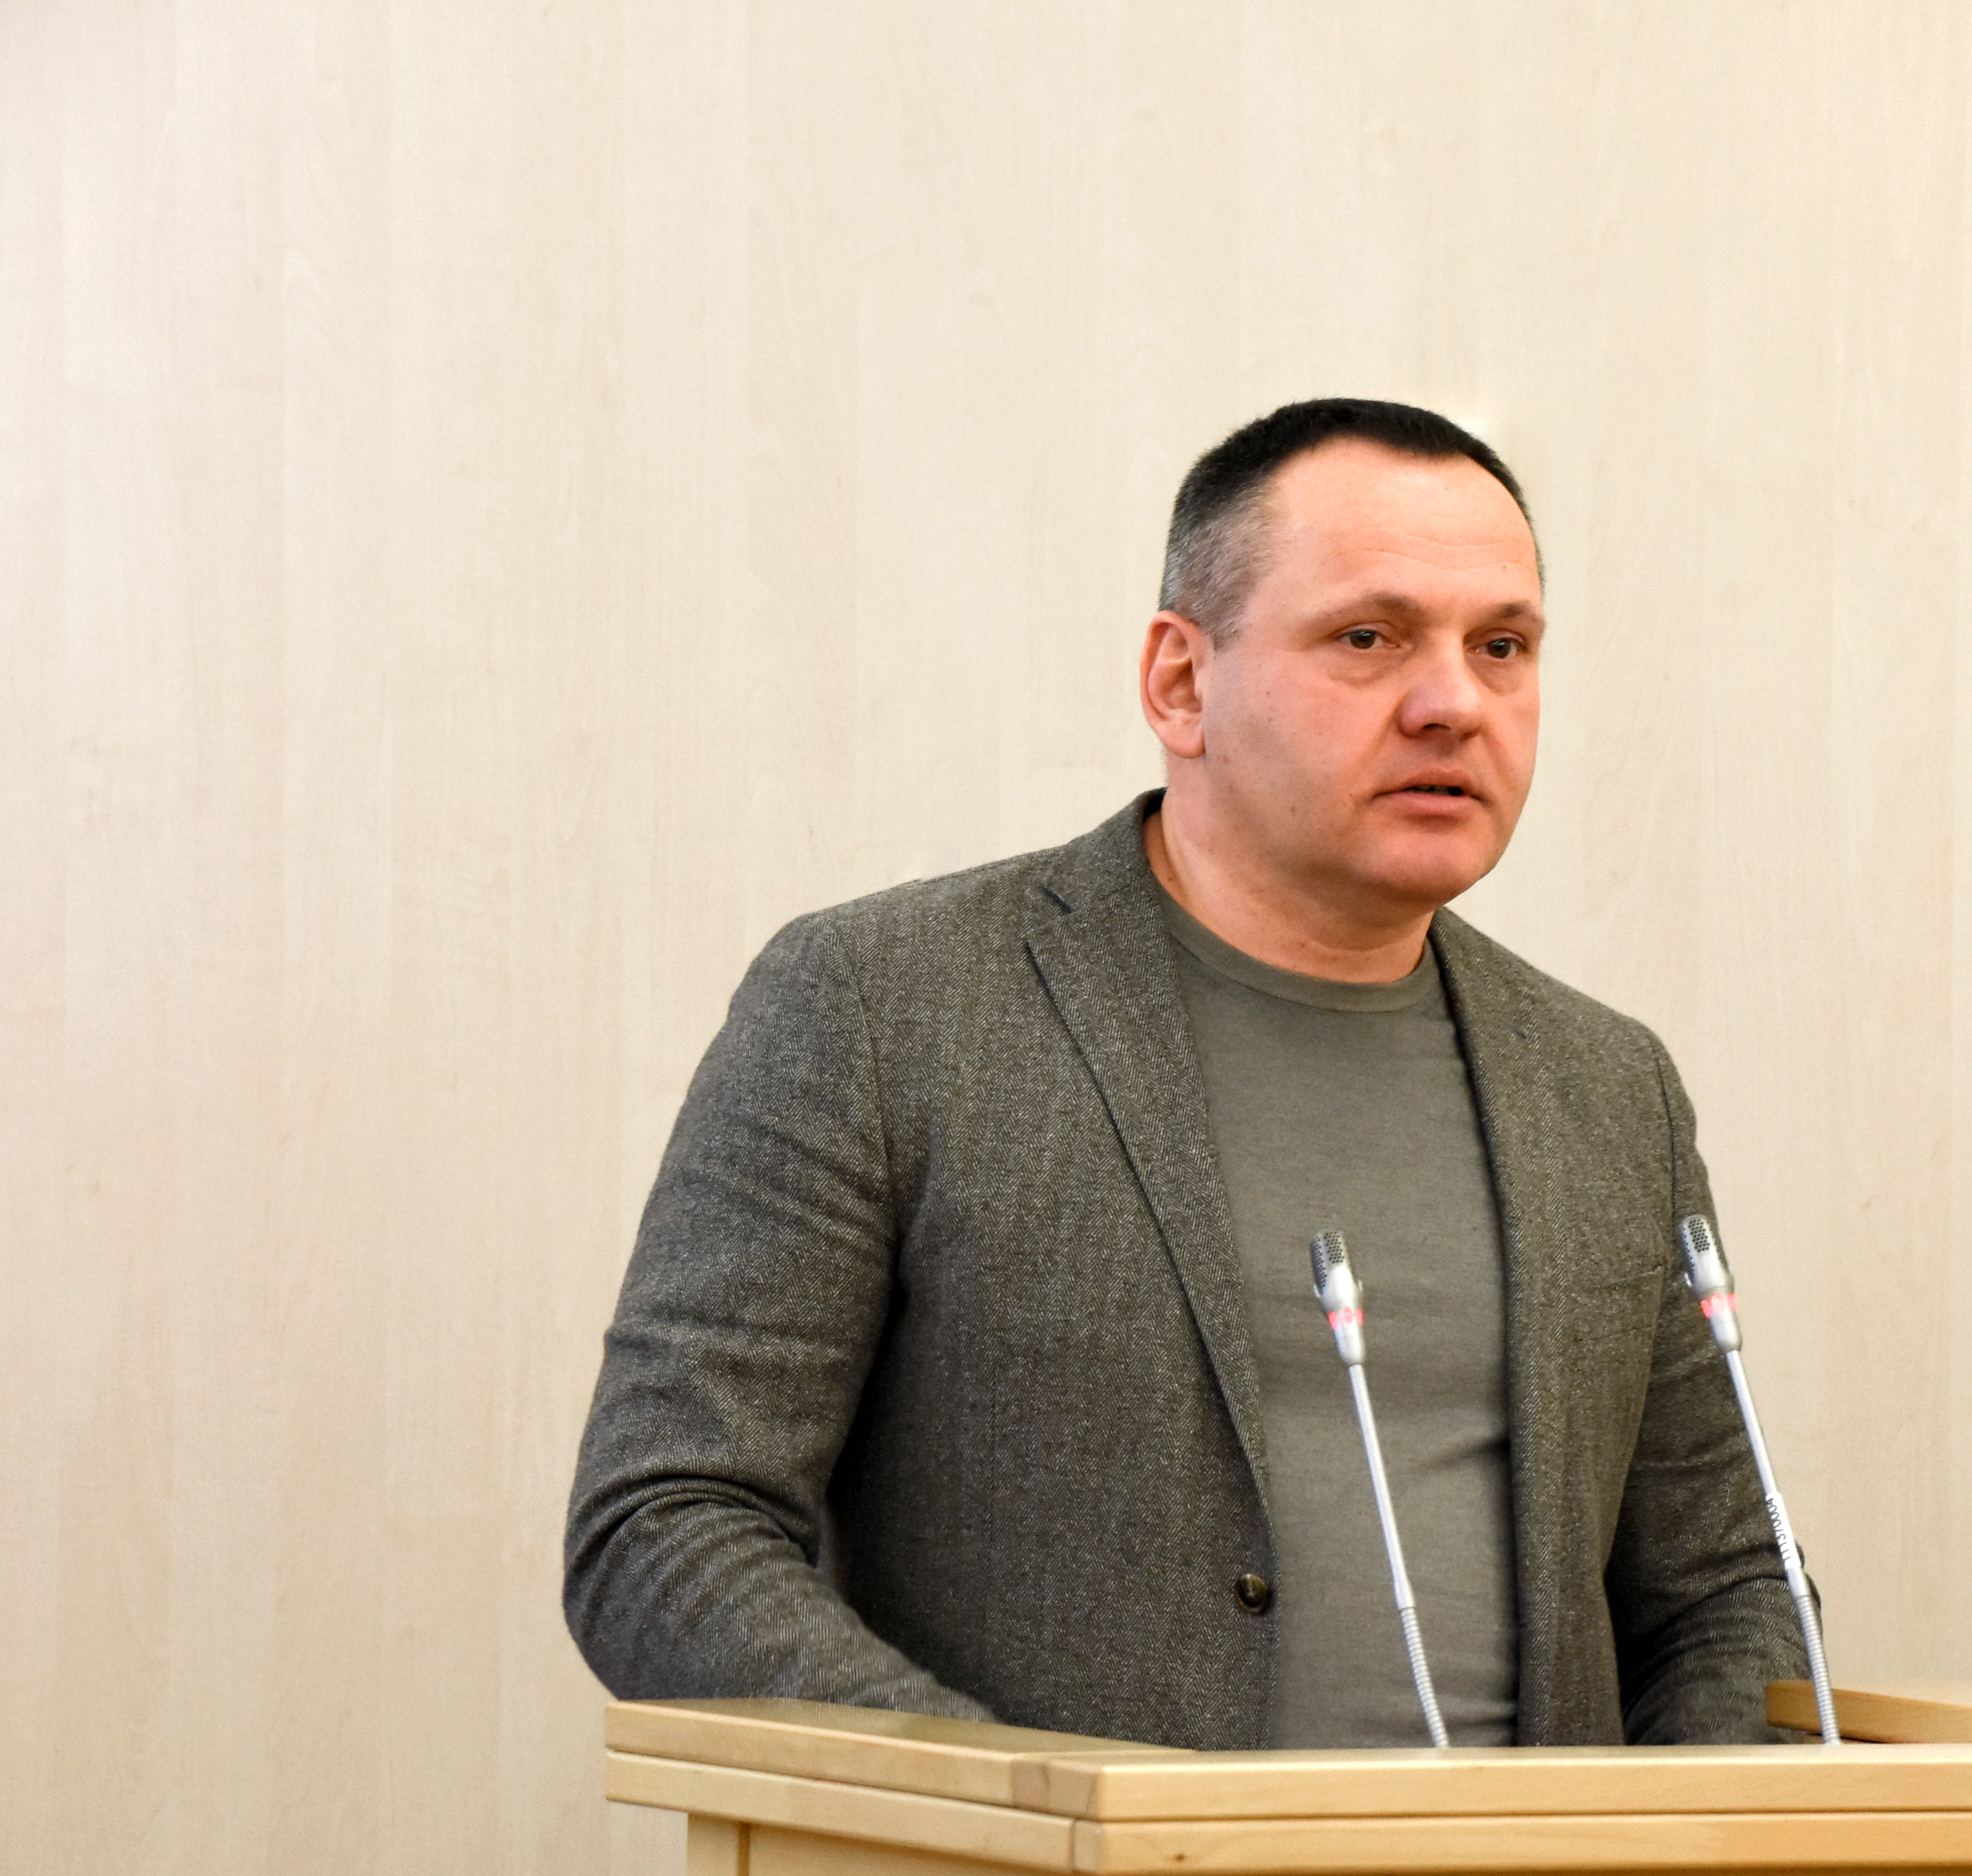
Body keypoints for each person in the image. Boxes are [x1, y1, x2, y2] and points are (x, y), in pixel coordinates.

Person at [564, 399, 1801, 1749]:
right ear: (1180, 682)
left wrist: (1675, 1860)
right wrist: (1026, 1811)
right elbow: (666, 1525)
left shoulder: (1608, 1089)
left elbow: (1723, 1590)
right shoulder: (884, 1006)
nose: (1453, 702)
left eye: (1501, 646)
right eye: (1369, 638)